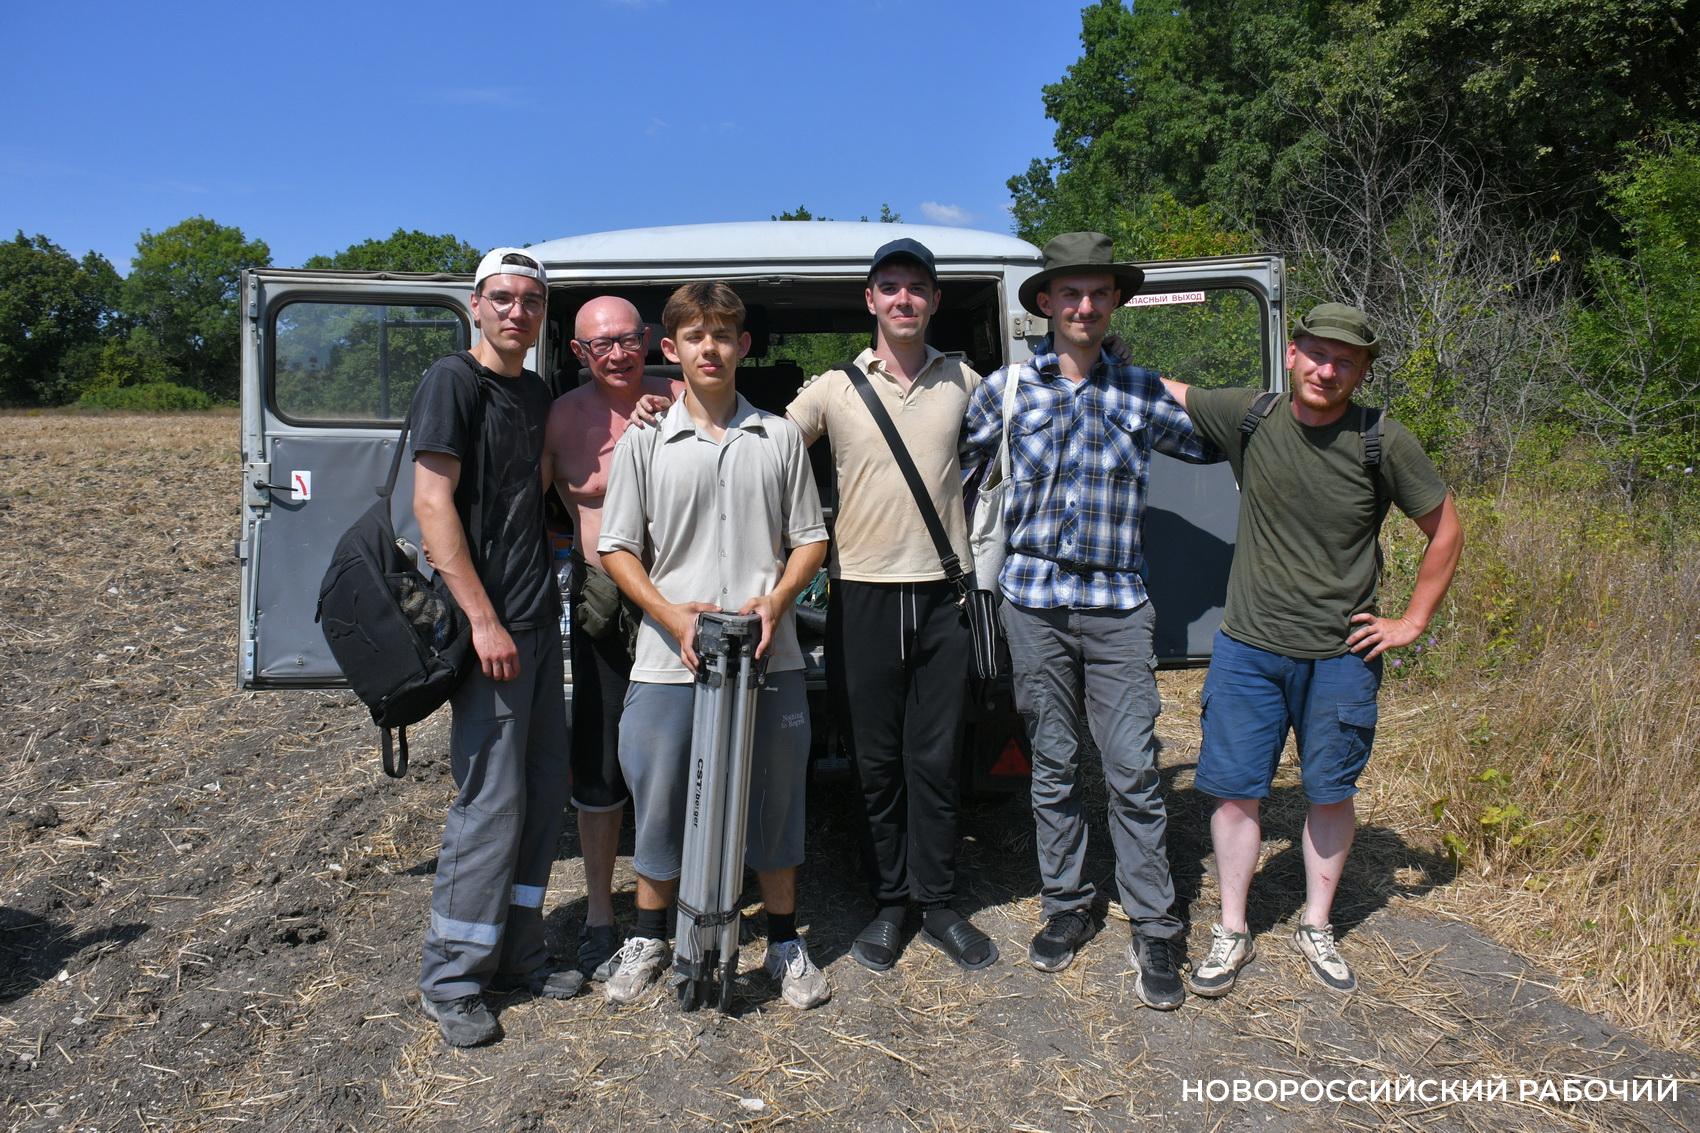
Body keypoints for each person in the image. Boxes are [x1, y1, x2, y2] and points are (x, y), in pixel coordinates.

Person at [1161, 303, 1462, 997]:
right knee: (1235, 793)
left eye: (1346, 360)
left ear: (1361, 370)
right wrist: (1104, 353)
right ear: (1292, 353)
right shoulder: (1252, 416)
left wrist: (1411, 621)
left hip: (1341, 656)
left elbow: (1445, 530)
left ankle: (1316, 922)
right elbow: (1168, 391)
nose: (1328, 369)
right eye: (1318, 354)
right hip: (1249, 649)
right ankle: (1233, 927)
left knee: (1330, 792)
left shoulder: (1382, 438)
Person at [960, 231, 1217, 1010]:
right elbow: (953, 471)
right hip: (1032, 602)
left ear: (1114, 303)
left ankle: (1153, 923)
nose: (1083, 305)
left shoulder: (1140, 390)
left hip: (1117, 608)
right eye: (1069, 293)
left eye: (1098, 293)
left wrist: (1294, 405)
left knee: (1134, 767)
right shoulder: (1003, 390)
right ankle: (1067, 903)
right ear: (1044, 303)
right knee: (1053, 763)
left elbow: (1219, 442)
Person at [596, 281, 832, 1009]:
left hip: (771, 657)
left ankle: (785, 939)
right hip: (672, 660)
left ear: (743, 347)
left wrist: (777, 599)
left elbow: (811, 539)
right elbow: (617, 549)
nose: (710, 348)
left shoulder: (781, 437)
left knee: (777, 798)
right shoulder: (644, 440)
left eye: (724, 335)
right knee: (661, 798)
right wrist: (672, 615)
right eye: (695, 336)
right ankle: (647, 935)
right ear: (670, 350)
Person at [784, 238, 996, 972]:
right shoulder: (835, 389)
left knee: (934, 758)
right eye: (890, 286)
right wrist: (668, 400)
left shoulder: (967, 380)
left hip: (945, 597)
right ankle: (890, 902)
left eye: (917, 287)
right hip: (862, 595)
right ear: (869, 300)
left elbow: (1029, 433)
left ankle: (937, 901)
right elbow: (761, 444)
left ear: (935, 301)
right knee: (875, 760)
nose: (904, 298)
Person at [412, 248, 582, 1047]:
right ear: (476, 305)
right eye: (504, 298)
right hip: (493, 632)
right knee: (489, 804)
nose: (518, 312)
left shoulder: (536, 390)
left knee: (544, 792)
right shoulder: (455, 381)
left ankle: (518, 950)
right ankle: (452, 978)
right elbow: (431, 502)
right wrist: (481, 619)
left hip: (537, 622)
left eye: (532, 301)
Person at [541, 297, 678, 982]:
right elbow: (517, 509)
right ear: (578, 352)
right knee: (598, 767)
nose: (618, 354)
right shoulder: (560, 417)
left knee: (687, 761)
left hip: (678, 605)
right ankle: (600, 913)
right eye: (602, 345)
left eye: (628, 340)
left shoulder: (685, 396)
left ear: (649, 340)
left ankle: (692, 901)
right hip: (599, 604)